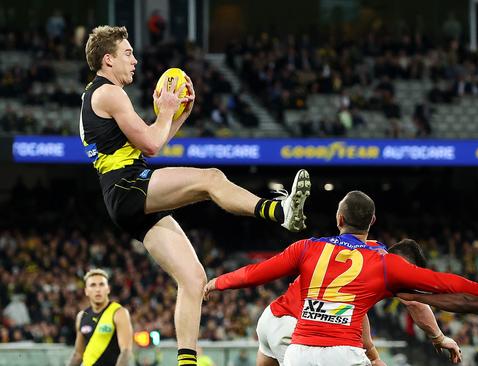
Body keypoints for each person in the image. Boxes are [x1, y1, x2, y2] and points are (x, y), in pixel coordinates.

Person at [80, 26, 311, 366]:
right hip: (128, 185)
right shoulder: (110, 93)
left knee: (194, 278)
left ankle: (186, 361)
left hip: (125, 190)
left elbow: (150, 145)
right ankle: (279, 211)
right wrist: (164, 112)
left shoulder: (98, 94)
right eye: (128, 53)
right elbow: (151, 143)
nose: (135, 59)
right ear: (108, 59)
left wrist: (177, 117)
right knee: (211, 179)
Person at [205, 190, 478, 366]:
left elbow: (258, 272)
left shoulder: (310, 246)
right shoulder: (382, 264)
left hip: (272, 321)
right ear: (372, 222)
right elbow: (440, 287)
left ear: (339, 219)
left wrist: (217, 282)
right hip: (314, 340)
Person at [254, 239, 462, 366]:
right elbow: (415, 303)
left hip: (272, 318)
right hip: (296, 329)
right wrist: (439, 338)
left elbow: (353, 313)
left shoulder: (362, 249)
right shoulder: (384, 269)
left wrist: (373, 356)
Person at [68, 269, 133, 366]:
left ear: (108, 289)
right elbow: (78, 355)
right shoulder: (82, 316)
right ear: (86, 291)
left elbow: (126, 351)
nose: (98, 289)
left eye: (101, 284)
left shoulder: (118, 313)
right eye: (93, 285)